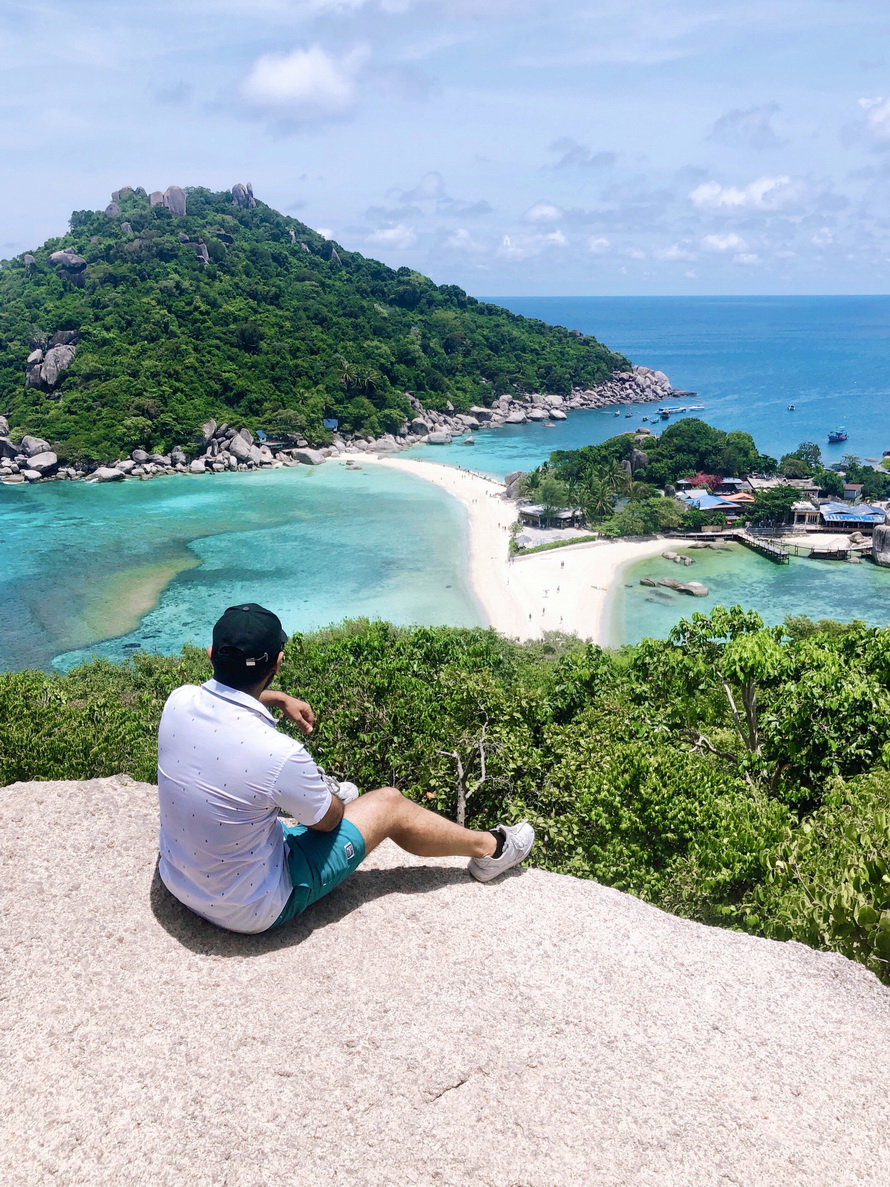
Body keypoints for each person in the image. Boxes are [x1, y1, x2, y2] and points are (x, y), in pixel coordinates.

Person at [157, 603, 535, 934]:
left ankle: (326, 794)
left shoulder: (178, 700)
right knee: (387, 803)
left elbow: (229, 698)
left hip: (178, 881)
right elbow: (327, 823)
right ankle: (493, 850)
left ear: (210, 654)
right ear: (278, 663)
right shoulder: (279, 754)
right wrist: (330, 797)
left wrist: (278, 699)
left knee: (337, 796)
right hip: (250, 909)